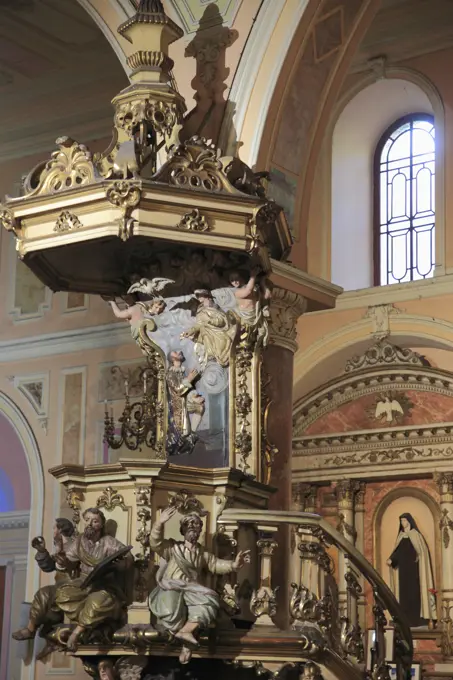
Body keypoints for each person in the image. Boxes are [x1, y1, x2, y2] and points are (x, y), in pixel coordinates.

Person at [148, 506, 250, 663]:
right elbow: (155, 543)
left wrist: (234, 565)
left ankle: (186, 632)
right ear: (182, 529)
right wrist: (159, 523)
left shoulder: (202, 553)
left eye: (196, 524)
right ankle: (186, 644)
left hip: (192, 589)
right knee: (170, 611)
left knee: (211, 601)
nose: (192, 528)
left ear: (200, 530)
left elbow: (215, 564)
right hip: (172, 586)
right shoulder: (172, 548)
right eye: (188, 524)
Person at [54, 507, 131, 651]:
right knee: (63, 595)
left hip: (104, 584)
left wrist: (121, 564)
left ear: (101, 525)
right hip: (83, 581)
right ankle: (86, 621)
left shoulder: (109, 542)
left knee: (96, 603)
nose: (90, 524)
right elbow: (69, 562)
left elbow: (127, 557)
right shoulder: (79, 541)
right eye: (87, 520)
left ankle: (77, 632)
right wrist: (62, 560)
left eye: (95, 521)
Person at [12, 518, 75, 644]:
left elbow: (77, 564)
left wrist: (67, 564)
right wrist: (42, 551)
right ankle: (40, 627)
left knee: (43, 594)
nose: (53, 531)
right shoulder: (59, 545)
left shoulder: (74, 544)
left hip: (73, 583)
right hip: (61, 584)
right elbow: (49, 567)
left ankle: (31, 629)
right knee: (45, 598)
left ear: (60, 530)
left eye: (54, 528)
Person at [387, 513, 437, 627]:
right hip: (403, 572)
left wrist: (419, 556)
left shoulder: (416, 535)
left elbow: (422, 552)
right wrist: (391, 559)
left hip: (414, 571)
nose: (402, 523)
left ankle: (418, 619)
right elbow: (397, 552)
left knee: (414, 594)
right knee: (403, 594)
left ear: (409, 521)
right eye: (401, 521)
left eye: (404, 521)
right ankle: (404, 619)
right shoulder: (401, 536)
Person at [180, 289, 237, 368]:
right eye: (197, 296)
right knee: (204, 329)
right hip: (207, 332)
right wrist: (191, 331)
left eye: (200, 295)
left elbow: (221, 318)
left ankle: (215, 355)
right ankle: (210, 354)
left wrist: (210, 322)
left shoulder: (213, 306)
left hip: (218, 330)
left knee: (206, 329)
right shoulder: (200, 310)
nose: (198, 297)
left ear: (206, 295)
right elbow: (199, 324)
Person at [166, 349, 205, 455]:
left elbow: (189, 390)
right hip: (177, 405)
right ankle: (184, 439)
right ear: (172, 359)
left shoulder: (181, 373)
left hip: (186, 401)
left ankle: (193, 433)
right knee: (182, 432)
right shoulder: (170, 374)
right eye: (175, 352)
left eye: (179, 352)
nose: (178, 352)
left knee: (200, 407)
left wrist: (194, 397)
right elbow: (178, 389)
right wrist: (189, 379)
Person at [229, 267, 271, 346]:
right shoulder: (235, 292)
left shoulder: (253, 288)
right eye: (232, 280)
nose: (234, 281)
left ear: (242, 277)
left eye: (236, 278)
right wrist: (253, 276)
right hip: (245, 318)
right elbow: (247, 292)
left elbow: (266, 296)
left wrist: (262, 282)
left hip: (256, 317)